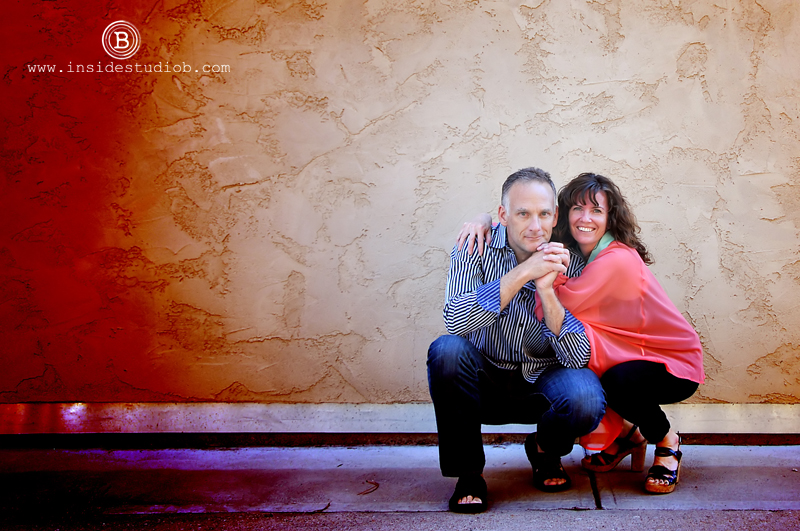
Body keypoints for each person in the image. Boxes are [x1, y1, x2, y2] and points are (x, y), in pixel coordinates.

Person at [428, 167, 606, 513]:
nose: (535, 226)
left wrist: (547, 292)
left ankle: (544, 449)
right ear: (502, 215)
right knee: (446, 351)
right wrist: (523, 273)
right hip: (485, 381)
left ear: (556, 216)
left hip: (543, 381)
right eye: (523, 213)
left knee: (585, 397)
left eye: (543, 214)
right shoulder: (474, 246)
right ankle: (469, 474)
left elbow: (577, 358)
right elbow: (455, 320)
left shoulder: (573, 261)